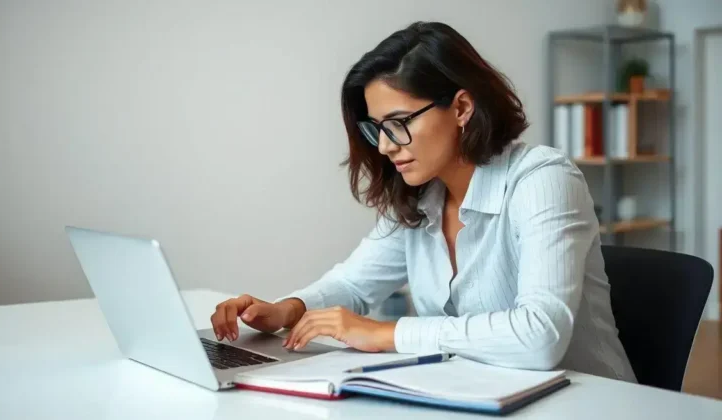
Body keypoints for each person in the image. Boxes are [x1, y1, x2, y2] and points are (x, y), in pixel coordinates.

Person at [210, 21, 636, 381]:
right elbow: (355, 285)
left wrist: (386, 333)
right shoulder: (422, 197)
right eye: (377, 129)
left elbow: (541, 336)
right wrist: (288, 308)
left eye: (397, 124)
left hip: (590, 410)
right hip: (482, 400)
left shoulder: (542, 179)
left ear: (462, 107)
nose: (384, 147)